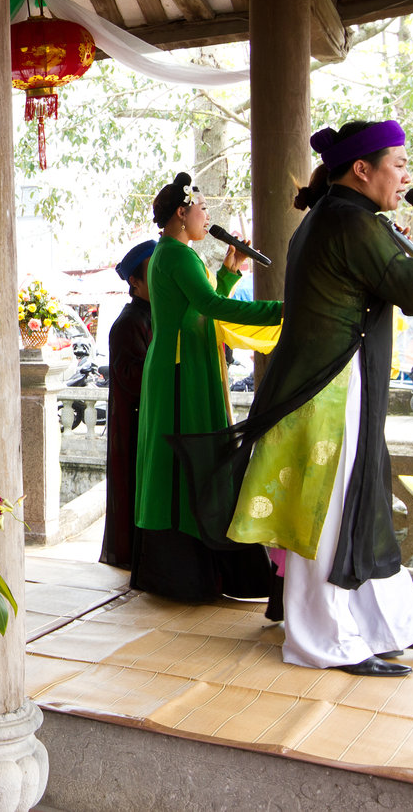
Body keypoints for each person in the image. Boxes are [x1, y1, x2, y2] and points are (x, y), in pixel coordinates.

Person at [179, 120, 413, 677]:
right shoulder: (347, 220)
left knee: (359, 506)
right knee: (326, 513)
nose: (406, 177)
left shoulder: (345, 217)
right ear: (362, 170)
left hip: (337, 382)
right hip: (328, 387)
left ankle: (394, 624)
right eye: (398, 165)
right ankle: (321, 640)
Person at [134, 173, 282, 603]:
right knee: (189, 459)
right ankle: (189, 571)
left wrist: (229, 273)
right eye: (203, 209)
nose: (207, 217)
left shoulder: (174, 254)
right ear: (182, 213)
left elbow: (198, 307)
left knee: (195, 458)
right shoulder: (176, 255)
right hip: (181, 371)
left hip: (185, 364)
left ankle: (202, 568)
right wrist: (281, 311)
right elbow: (210, 306)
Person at [99, 241, 153, 570]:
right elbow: (132, 377)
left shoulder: (154, 315)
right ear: (135, 281)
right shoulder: (129, 322)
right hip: (134, 424)